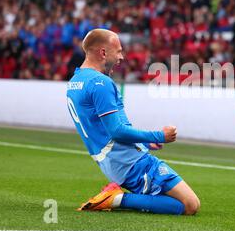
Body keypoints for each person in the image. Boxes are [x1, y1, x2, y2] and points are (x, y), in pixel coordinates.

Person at [66, 28, 200, 215]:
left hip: (113, 163)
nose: (121, 57)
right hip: (130, 161)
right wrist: (159, 136)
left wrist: (145, 141)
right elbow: (116, 131)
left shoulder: (75, 81)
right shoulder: (100, 83)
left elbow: (103, 129)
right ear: (103, 53)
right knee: (190, 205)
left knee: (180, 204)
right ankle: (116, 198)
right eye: (119, 51)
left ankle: (117, 198)